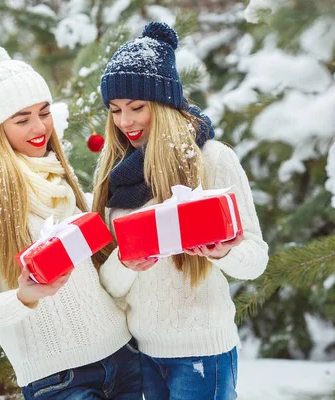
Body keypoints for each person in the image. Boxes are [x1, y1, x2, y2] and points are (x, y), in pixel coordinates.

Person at [92, 22, 269, 400]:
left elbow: (255, 261)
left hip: (202, 353)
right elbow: (106, 283)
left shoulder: (212, 159)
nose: (126, 122)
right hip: (142, 355)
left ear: (165, 103)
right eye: (116, 110)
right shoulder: (112, 174)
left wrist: (224, 251)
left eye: (137, 107)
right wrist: (126, 262)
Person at [0, 42, 142, 400]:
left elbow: (93, 277)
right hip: (59, 379)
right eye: (22, 119)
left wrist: (132, 259)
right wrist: (26, 295)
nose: (39, 127)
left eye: (44, 112)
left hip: (122, 355)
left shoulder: (57, 171)